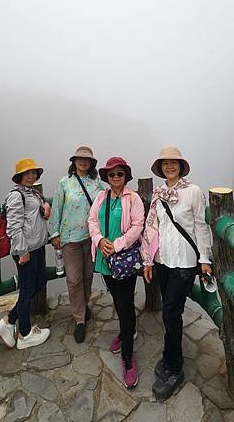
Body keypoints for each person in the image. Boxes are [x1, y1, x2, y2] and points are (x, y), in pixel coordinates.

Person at [141, 147, 213, 399]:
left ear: (181, 166)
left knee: (171, 311)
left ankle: (174, 367)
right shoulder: (158, 193)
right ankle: (170, 356)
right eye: (165, 163)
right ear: (160, 168)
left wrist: (204, 259)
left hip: (184, 262)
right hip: (163, 260)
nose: (169, 166)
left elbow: (201, 226)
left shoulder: (193, 192)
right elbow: (152, 226)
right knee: (170, 312)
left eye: (174, 163)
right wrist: (148, 260)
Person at [88, 157, 144, 389]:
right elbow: (92, 220)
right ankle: (126, 330)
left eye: (119, 174)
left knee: (124, 304)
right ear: (106, 177)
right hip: (104, 257)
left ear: (126, 176)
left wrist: (117, 244)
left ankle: (128, 358)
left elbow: (138, 225)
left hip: (123, 258)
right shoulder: (101, 197)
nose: (115, 178)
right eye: (111, 175)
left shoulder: (134, 198)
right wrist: (100, 241)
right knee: (117, 299)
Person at [0, 158, 51, 349]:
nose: (31, 176)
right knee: (27, 290)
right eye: (27, 173)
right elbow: (14, 226)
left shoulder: (31, 192)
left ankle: (9, 322)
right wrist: (22, 251)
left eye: (33, 173)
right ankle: (25, 334)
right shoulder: (16, 196)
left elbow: (37, 208)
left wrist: (45, 206)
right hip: (26, 249)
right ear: (19, 176)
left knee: (39, 283)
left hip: (35, 247)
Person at [49, 146, 104, 343]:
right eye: (79, 159)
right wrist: (54, 232)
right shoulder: (65, 183)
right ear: (74, 162)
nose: (83, 162)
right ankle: (79, 319)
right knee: (74, 279)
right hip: (70, 238)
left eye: (86, 160)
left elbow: (107, 204)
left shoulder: (97, 185)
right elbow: (57, 208)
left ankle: (84, 305)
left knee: (88, 275)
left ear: (91, 163)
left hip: (90, 237)